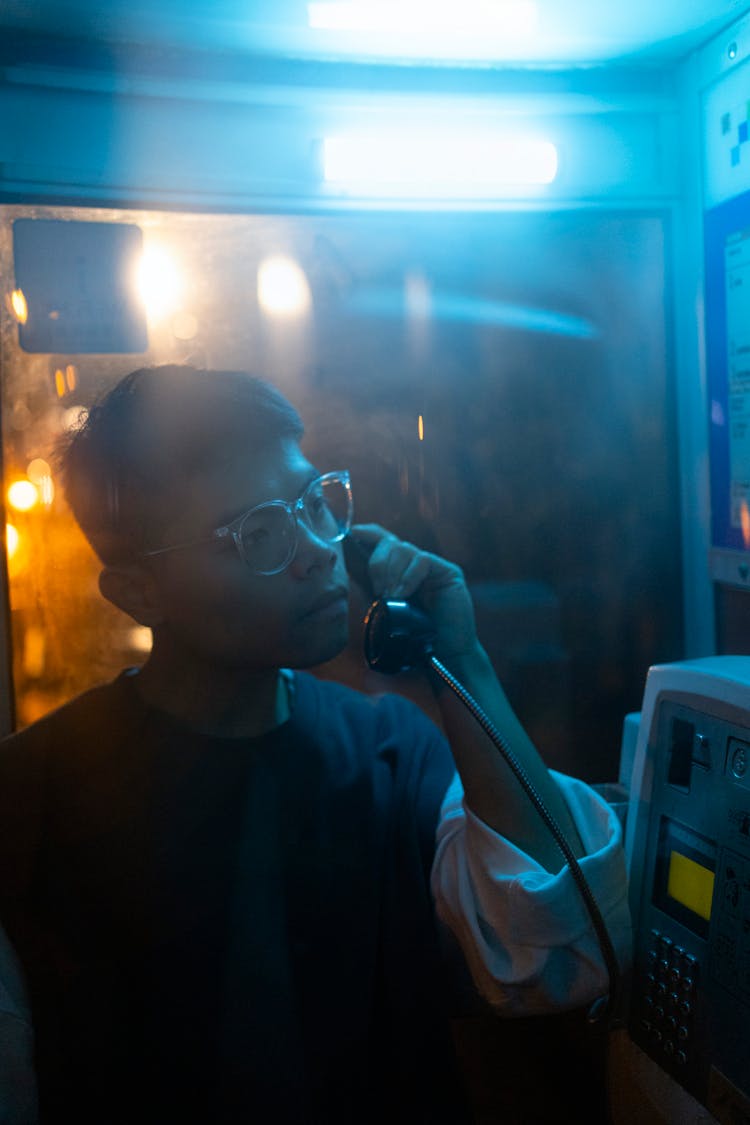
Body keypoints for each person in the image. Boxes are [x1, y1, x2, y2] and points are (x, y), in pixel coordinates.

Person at [0, 364, 630, 1124]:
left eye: (313, 502)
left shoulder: (389, 750)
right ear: (139, 591)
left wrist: (461, 659)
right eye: (259, 533)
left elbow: (558, 946)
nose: (316, 550)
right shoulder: (33, 792)